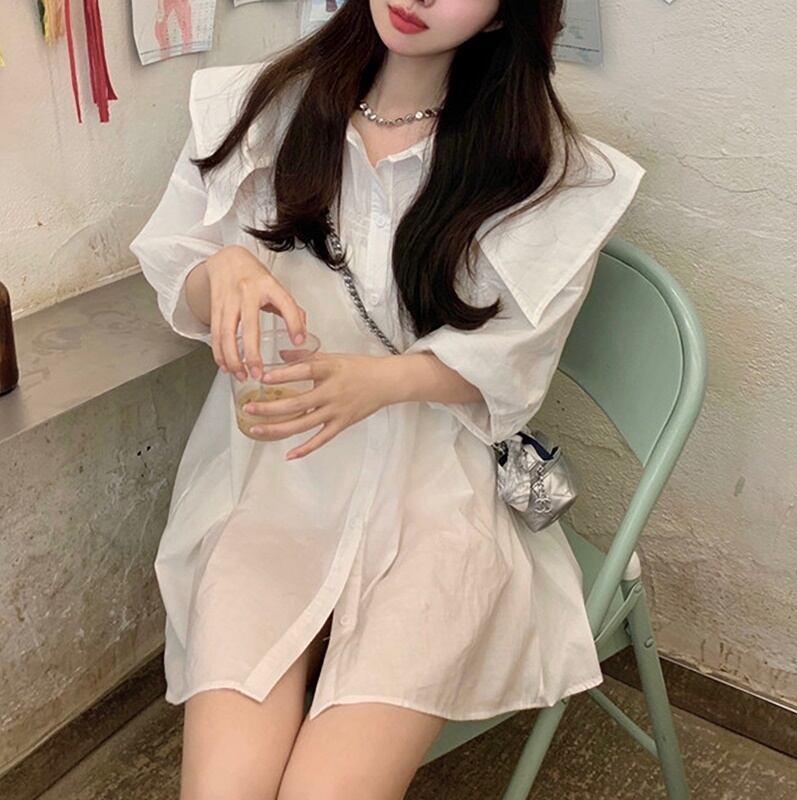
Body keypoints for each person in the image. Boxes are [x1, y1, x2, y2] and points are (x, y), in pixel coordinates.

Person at [129, 0, 646, 797]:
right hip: (275, 482)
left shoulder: (542, 171)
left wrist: (382, 382)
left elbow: (518, 354)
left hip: (436, 501)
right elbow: (179, 259)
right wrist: (218, 273)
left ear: (506, 13)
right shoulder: (261, 111)